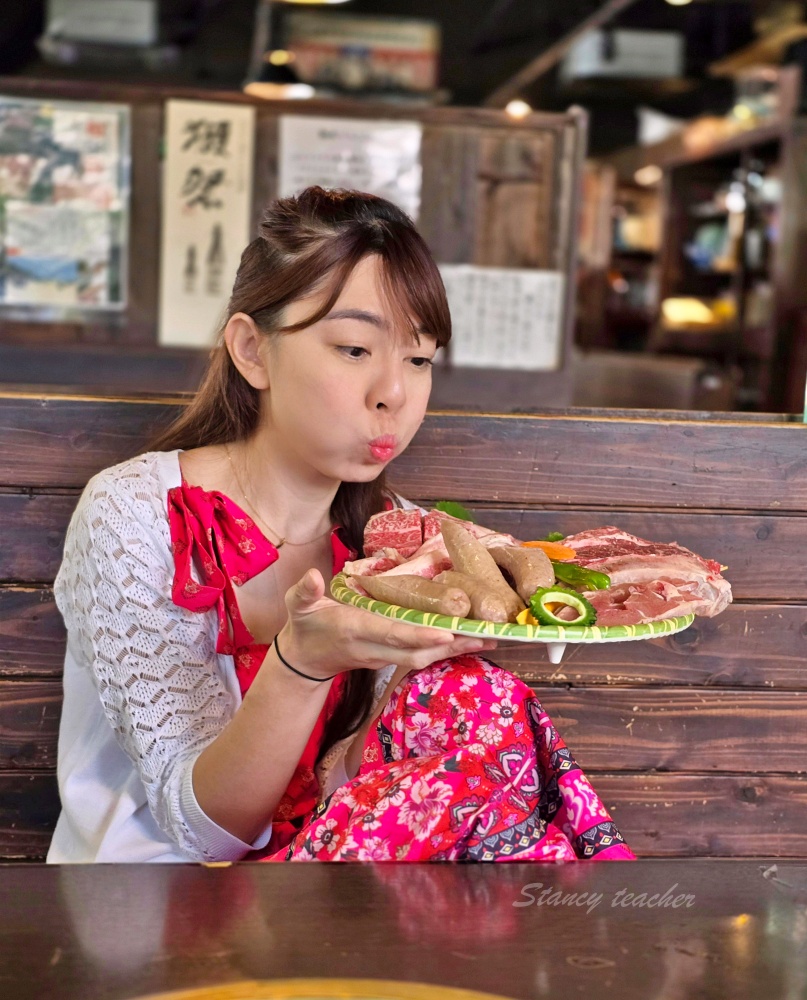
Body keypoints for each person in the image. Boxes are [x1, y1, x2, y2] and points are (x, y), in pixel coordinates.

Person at [48, 186, 635, 863]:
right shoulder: (135, 511)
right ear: (252, 350)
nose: (393, 392)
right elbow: (199, 831)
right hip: (157, 910)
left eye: (418, 359)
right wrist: (302, 664)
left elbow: (360, 788)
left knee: (470, 692)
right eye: (355, 348)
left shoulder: (404, 542)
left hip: (333, 903)